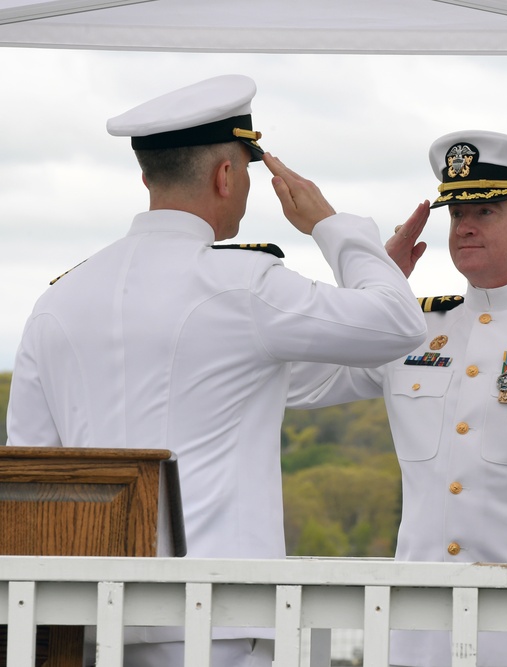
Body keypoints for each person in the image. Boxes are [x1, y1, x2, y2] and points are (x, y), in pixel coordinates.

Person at [5, 74, 427, 666]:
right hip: (217, 621)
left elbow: (33, 479)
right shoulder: (241, 286)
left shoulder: (57, 302)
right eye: (247, 172)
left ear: (147, 173)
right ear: (225, 176)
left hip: (92, 622)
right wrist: (336, 231)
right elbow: (398, 326)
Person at [292, 130, 507, 667]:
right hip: (415, 638)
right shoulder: (414, 327)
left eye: (488, 210)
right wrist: (375, 289)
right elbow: (295, 383)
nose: (466, 225)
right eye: (456, 214)